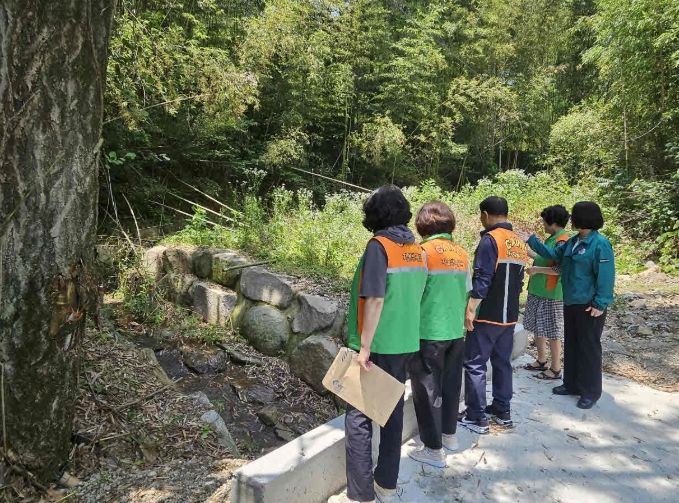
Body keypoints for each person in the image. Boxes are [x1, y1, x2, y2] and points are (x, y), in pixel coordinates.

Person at [344, 185, 427, 503]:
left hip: (378, 344)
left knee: (358, 415)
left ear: (374, 214)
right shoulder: (415, 249)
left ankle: (361, 493)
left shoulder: (379, 247)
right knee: (392, 411)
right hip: (405, 341)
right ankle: (386, 485)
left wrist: (364, 347)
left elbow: (375, 298)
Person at [522, 201, 615, 409]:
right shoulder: (573, 242)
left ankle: (590, 391)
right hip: (571, 300)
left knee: (588, 348)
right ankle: (571, 384)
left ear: (583, 219)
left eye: (574, 216)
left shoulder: (600, 244)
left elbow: (606, 276)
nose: (571, 219)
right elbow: (553, 255)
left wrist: (601, 302)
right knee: (572, 344)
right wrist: (532, 240)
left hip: (589, 304)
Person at [458, 196, 529, 434]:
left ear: (486, 214)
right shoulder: (517, 242)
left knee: (475, 364)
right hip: (509, 316)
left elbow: (483, 279)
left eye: (481, 215)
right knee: (502, 363)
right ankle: (502, 410)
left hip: (487, 315)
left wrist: (470, 309)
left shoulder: (490, 240)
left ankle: (476, 416)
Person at [408, 201, 471, 468]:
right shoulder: (461, 253)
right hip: (455, 331)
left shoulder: (422, 252)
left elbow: (413, 292)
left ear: (422, 224)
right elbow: (468, 290)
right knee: (451, 384)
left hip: (429, 330)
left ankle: (433, 449)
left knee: (427, 390)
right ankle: (449, 435)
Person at [523, 205, 571, 380]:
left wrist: (536, 270)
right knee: (538, 327)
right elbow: (543, 256)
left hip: (551, 294)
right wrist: (526, 250)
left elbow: (559, 269)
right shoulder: (552, 238)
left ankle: (556, 368)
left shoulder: (562, 241)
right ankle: (542, 359)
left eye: (544, 221)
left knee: (552, 331)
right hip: (538, 290)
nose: (542, 224)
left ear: (553, 223)